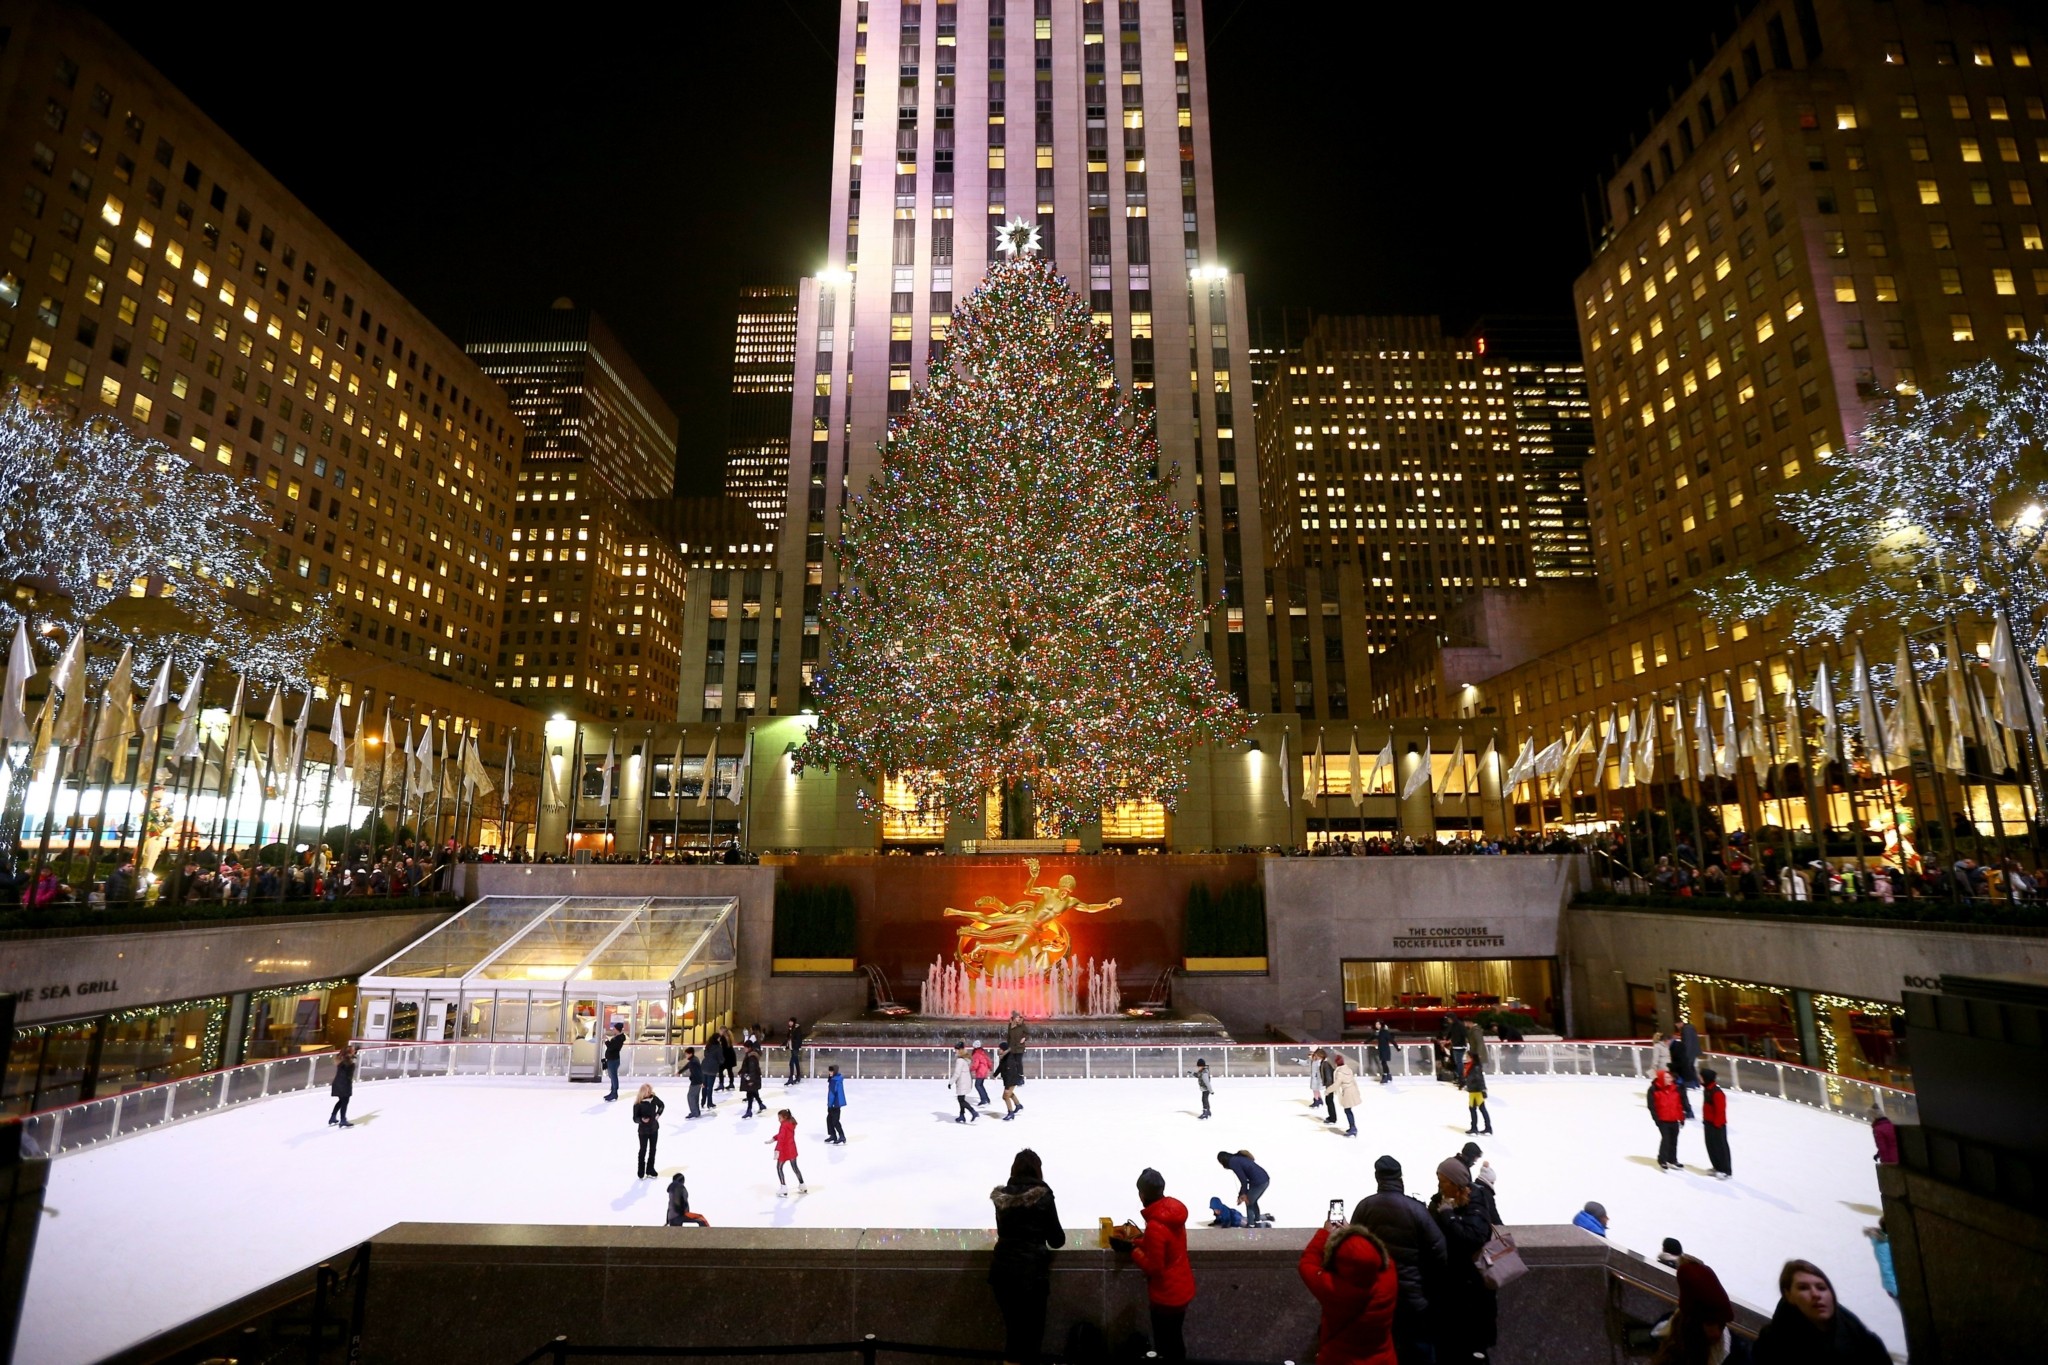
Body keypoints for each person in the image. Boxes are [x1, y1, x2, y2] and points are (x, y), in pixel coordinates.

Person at [1358, 1155, 1448, 1365]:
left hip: (1378, 1294)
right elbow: (1440, 1251)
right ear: (1400, 1177)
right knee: (1420, 1348)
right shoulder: (1416, 1210)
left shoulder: (1365, 1207)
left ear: (1377, 1177)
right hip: (1413, 1296)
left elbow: (1354, 1247)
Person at [989, 1148, 1065, 1365]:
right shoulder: (1043, 1196)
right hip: (1031, 1276)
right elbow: (1057, 1239)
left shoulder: (1002, 1199)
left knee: (1013, 1335)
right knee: (1032, 1337)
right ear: (1037, 1170)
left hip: (1002, 1274)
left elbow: (1004, 1232)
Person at [1298, 1203, 1400, 1365]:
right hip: (1384, 1359)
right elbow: (1374, 1253)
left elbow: (1307, 1264)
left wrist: (1325, 1233)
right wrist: (1353, 1232)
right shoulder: (1388, 1275)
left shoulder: (1333, 1288)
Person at [1112, 1167, 1195, 1363]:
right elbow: (1167, 1246)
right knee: (1175, 1339)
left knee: (1166, 1344)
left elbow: (1154, 1268)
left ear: (1142, 1194)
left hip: (1167, 1296)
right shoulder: (1171, 1214)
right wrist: (1136, 1242)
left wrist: (1131, 1251)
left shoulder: (1156, 1225)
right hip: (1181, 1287)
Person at [1751, 1260, 1889, 1364]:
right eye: (1803, 1288)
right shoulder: (1772, 1343)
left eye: (1822, 1287)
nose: (1816, 1294)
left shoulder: (1863, 1340)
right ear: (1788, 1295)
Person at [1430, 1157, 1497, 1363]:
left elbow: (1473, 1238)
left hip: (1473, 1290)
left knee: (1473, 1350)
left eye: (1443, 1182)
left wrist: (1449, 1216)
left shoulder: (1476, 1202)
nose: (1439, 1186)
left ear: (1457, 1184)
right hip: (1449, 1287)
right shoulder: (1439, 1201)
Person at [1649, 1259, 1743, 1365]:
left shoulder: (1736, 1354)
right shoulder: (1664, 1342)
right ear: (1692, 1323)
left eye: (1722, 1324)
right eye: (1710, 1323)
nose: (1717, 1333)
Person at [1217, 1149, 1269, 1225]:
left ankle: (1251, 1224)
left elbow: (1243, 1180)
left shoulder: (1233, 1162)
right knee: (1252, 1201)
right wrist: (1241, 1194)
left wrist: (1243, 1195)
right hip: (1264, 1179)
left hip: (1259, 1182)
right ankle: (1257, 1219)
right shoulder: (1236, 1158)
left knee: (1249, 1202)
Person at [1649, 1067, 1686, 1170]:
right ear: (1661, 1078)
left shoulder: (1676, 1089)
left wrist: (1681, 1118)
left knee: (1674, 1140)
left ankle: (1672, 1160)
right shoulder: (1654, 1090)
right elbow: (1652, 1106)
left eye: (1670, 1077)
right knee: (1666, 1139)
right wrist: (1657, 1119)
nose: (1670, 1079)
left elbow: (1679, 1105)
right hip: (1663, 1120)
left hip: (1674, 1119)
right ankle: (1662, 1160)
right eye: (1667, 1077)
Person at [1700, 1067, 1732, 1179]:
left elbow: (1720, 1110)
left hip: (1717, 1125)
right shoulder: (1707, 1089)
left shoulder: (1717, 1092)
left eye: (1702, 1077)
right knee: (1711, 1146)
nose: (1700, 1079)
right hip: (1708, 1123)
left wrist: (1717, 1124)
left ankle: (1725, 1170)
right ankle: (1717, 1167)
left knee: (1720, 1147)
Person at [767, 1107, 806, 1194]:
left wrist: (777, 1150)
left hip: (784, 1150)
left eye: (779, 1118)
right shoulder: (790, 1123)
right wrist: (774, 1138)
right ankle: (802, 1184)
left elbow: (781, 1138)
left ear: (784, 1117)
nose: (778, 1120)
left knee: (779, 1168)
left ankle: (783, 1187)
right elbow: (782, 1135)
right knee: (795, 1167)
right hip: (792, 1149)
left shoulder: (783, 1125)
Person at [632, 1083, 665, 1179]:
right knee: (643, 1149)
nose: (650, 1092)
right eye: (648, 1091)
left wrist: (658, 1115)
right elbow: (635, 1118)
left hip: (654, 1129)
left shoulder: (654, 1098)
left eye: (650, 1090)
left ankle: (650, 1169)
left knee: (653, 1149)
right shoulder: (638, 1104)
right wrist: (641, 1120)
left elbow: (662, 1105)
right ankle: (641, 1170)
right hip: (643, 1131)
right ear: (643, 1092)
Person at [1331, 1052, 1363, 1137]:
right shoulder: (1348, 1069)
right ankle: (1352, 1127)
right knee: (1348, 1110)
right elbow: (1353, 1081)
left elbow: (1337, 1084)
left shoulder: (1339, 1072)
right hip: (1352, 1091)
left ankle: (1353, 1128)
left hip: (1347, 1092)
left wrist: (1328, 1090)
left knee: (1347, 1110)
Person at [1864, 1223, 1897, 1301]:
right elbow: (1886, 1269)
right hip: (1895, 1287)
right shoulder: (1883, 1246)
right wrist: (1896, 1290)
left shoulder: (1888, 1242)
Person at [328, 1043, 357, 1128]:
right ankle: (343, 1120)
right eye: (353, 1050)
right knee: (344, 1102)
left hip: (337, 1083)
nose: (354, 1051)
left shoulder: (342, 1059)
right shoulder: (349, 1062)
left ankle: (333, 1117)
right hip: (344, 1084)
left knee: (341, 1101)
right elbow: (349, 1074)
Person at [1463, 1053, 1493, 1136]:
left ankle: (1478, 1128)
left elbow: (1479, 1079)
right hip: (1473, 1091)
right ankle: (1482, 1128)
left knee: (1477, 1109)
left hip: (1476, 1091)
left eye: (1467, 1057)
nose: (1466, 1058)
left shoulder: (1474, 1067)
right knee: (1476, 1109)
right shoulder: (1470, 1066)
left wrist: (1483, 1090)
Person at [951, 1042, 980, 1123]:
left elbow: (957, 1073)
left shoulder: (960, 1060)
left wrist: (950, 1082)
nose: (955, 1051)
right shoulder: (966, 1058)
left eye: (956, 1050)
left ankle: (973, 1112)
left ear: (960, 1050)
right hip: (966, 1080)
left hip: (962, 1082)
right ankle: (962, 1115)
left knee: (961, 1099)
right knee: (961, 1098)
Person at [1000, 1036, 1026, 1120]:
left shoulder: (1008, 1059)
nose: (998, 1050)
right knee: (1009, 1094)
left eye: (1000, 1048)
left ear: (1003, 1049)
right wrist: (995, 1074)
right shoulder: (1005, 1056)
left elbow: (1009, 1074)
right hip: (1011, 1080)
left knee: (1005, 1096)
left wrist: (1007, 1087)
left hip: (1012, 1080)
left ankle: (1010, 1113)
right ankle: (1018, 1105)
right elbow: (1001, 1067)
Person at [739, 1042, 764, 1117]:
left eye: (745, 1048)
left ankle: (749, 1111)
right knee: (753, 1092)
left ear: (749, 1047)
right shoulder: (750, 1055)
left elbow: (752, 1069)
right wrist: (741, 1071)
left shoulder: (752, 1057)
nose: (744, 1049)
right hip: (750, 1077)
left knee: (750, 1094)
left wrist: (751, 1080)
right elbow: (746, 1066)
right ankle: (761, 1104)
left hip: (751, 1078)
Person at [825, 1063, 848, 1144]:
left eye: (831, 1071)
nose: (829, 1073)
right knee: (829, 1120)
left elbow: (832, 1094)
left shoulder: (834, 1081)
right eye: (829, 1071)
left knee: (835, 1121)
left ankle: (842, 1136)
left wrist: (830, 1105)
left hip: (835, 1104)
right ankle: (833, 1135)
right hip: (835, 1103)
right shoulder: (836, 1079)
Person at [680, 1047, 706, 1119]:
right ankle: (696, 1112)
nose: (685, 1056)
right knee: (695, 1097)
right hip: (697, 1081)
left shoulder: (693, 1062)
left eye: (686, 1054)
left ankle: (694, 1112)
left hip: (696, 1082)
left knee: (691, 1096)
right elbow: (687, 1066)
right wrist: (679, 1072)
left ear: (690, 1054)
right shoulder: (693, 1060)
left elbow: (697, 1073)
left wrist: (701, 1082)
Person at [603, 1021, 626, 1101]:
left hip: (614, 1060)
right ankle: (612, 1091)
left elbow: (611, 1047)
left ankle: (614, 1092)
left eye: (614, 1029)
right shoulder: (617, 1038)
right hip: (611, 1059)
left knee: (613, 1076)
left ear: (617, 1029)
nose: (613, 1030)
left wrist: (606, 1041)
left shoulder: (619, 1039)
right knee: (612, 1076)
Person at [971, 1040, 995, 1106]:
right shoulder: (983, 1052)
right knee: (980, 1085)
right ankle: (986, 1099)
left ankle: (984, 1100)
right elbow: (988, 1061)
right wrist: (990, 1067)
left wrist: (970, 1069)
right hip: (984, 1071)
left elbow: (975, 1064)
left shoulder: (976, 1054)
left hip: (980, 1071)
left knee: (977, 1085)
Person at [1319, 1049, 1340, 1125]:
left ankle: (1333, 1118)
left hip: (1330, 1085)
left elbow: (1329, 1077)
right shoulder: (1324, 1062)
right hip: (1329, 1085)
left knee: (1329, 1101)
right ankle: (1331, 1116)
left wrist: (1329, 1088)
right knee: (1328, 1101)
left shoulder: (1326, 1063)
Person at [784, 1016, 806, 1085]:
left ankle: (791, 1078)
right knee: (796, 1062)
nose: (789, 1023)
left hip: (795, 1048)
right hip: (792, 1048)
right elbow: (788, 1037)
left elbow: (798, 1039)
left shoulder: (797, 1029)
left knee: (791, 1063)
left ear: (793, 1022)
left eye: (791, 1022)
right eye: (789, 1021)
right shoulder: (791, 1029)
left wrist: (796, 1046)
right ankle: (798, 1076)